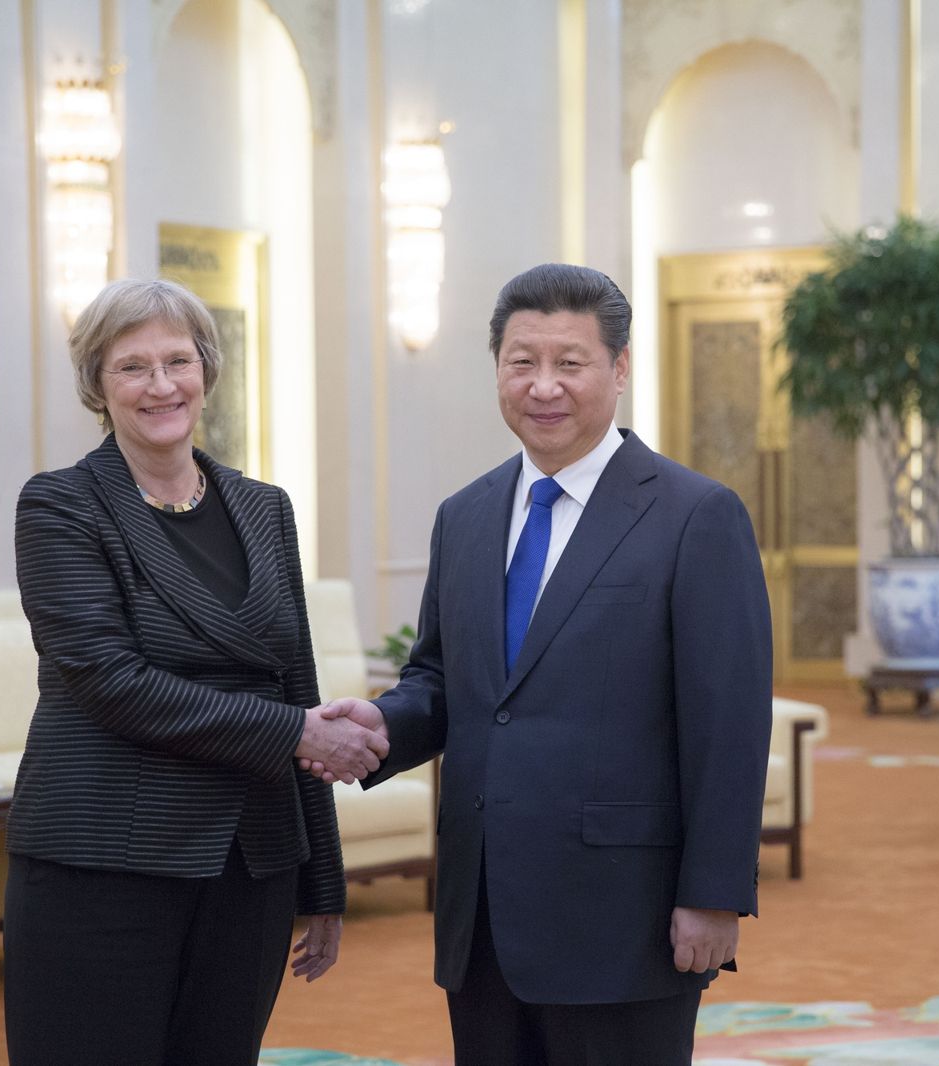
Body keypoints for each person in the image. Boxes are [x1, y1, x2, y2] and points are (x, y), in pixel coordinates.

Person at [309, 263, 773, 1065]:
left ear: (619, 369)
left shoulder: (695, 515)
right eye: (522, 362)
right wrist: (382, 722)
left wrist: (714, 893)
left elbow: (728, 725)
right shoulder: (465, 515)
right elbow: (444, 681)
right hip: (483, 913)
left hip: (624, 918)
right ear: (497, 368)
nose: (544, 386)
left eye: (570, 362)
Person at [4, 277, 388, 1065]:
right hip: (105, 861)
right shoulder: (60, 506)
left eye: (178, 361)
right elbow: (110, 681)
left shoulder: (264, 507)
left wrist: (322, 880)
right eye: (132, 367)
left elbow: (296, 682)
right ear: (97, 385)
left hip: (250, 865)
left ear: (207, 371)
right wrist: (294, 733)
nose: (161, 385)